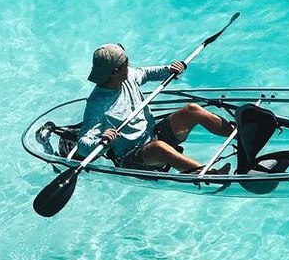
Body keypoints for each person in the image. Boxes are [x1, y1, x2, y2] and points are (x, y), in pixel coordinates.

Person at [76, 43, 234, 174]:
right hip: (132, 158)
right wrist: (101, 141)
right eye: (126, 63)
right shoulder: (96, 105)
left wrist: (168, 70)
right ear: (115, 71)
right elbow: (83, 145)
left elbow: (145, 73)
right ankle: (210, 175)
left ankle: (240, 134)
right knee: (159, 148)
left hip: (153, 134)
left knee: (192, 110)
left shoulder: (127, 75)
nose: (129, 65)